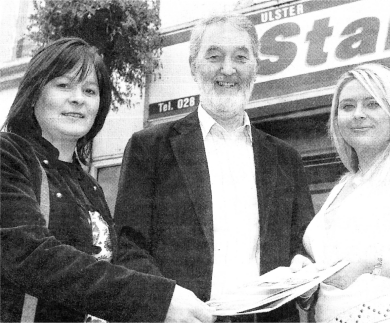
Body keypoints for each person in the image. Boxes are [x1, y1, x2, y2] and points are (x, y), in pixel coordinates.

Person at [114, 13, 315, 322]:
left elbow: (302, 248)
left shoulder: (287, 159)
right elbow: (128, 248)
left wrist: (304, 268)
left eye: (240, 57)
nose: (228, 69)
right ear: (194, 66)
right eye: (215, 56)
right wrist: (167, 302)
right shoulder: (150, 148)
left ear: (255, 69)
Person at [1, 37, 215, 323]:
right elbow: (29, 255)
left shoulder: (89, 185)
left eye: (90, 90)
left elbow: (114, 262)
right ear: (34, 92)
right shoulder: (8, 154)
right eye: (63, 85)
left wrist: (183, 295)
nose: (78, 98)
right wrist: (156, 298)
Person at [296, 63, 390, 322]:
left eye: (372, 104)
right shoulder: (339, 189)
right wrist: (308, 279)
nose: (358, 114)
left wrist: (374, 262)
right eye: (347, 106)